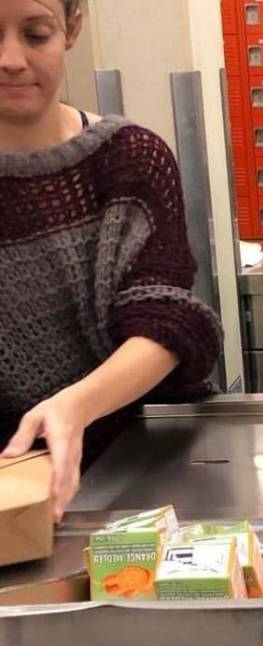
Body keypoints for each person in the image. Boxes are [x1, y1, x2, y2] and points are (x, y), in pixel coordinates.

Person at [0, 0, 223, 520]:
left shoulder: (130, 160)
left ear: (71, 28)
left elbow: (167, 319)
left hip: (141, 465)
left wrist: (73, 407)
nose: (10, 59)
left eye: (35, 35)